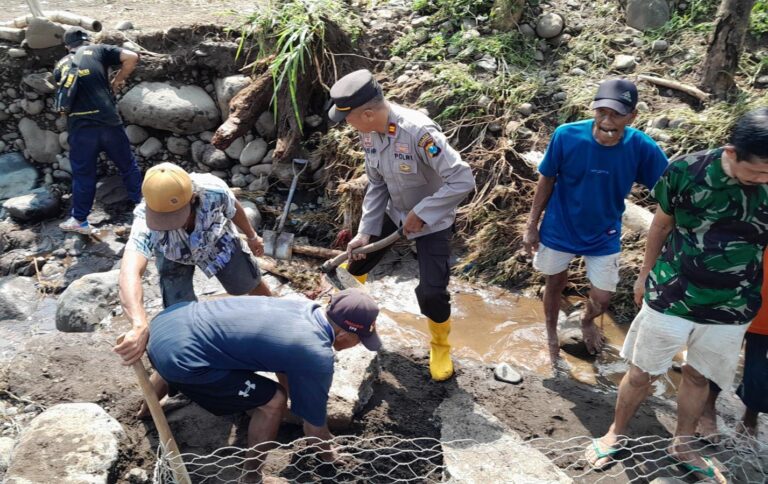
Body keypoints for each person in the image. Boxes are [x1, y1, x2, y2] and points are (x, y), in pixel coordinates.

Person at [586, 108, 768, 482]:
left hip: (733, 305)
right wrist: (644, 275)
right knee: (641, 373)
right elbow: (662, 224)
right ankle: (614, 433)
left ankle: (682, 443)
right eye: (761, 171)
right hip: (674, 293)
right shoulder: (687, 171)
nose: (766, 179)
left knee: (699, 377)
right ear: (732, 153)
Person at [327, 69, 475, 381]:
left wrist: (423, 212)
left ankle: (440, 346)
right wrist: (365, 231)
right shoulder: (368, 133)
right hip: (393, 214)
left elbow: (463, 179)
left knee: (432, 293)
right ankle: (352, 321)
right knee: (353, 266)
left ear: (367, 113)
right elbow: (377, 183)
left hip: (433, 222)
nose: (347, 126)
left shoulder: (419, 133)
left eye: (348, 119)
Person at [146, 289, 381, 483]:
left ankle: (146, 409)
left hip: (165, 325)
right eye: (361, 340)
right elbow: (313, 431)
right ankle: (252, 477)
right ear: (344, 336)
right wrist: (328, 452)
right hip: (181, 361)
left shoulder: (301, 308)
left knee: (201, 343)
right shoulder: (316, 354)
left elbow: (285, 363)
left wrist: (300, 406)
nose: (359, 345)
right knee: (274, 401)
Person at [522, 79, 668, 365]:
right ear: (594, 110)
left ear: (632, 117)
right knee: (555, 282)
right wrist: (531, 224)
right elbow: (547, 178)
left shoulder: (640, 146)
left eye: (617, 115)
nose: (607, 121)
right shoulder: (567, 136)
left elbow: (670, 189)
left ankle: (587, 319)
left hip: (604, 233)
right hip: (560, 228)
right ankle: (551, 334)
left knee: (602, 296)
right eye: (602, 112)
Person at [114, 162, 271, 371]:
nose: (172, 223)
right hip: (173, 253)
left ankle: (278, 315)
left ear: (193, 199)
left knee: (248, 283)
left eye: (176, 217)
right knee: (179, 314)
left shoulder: (213, 191)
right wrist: (139, 322)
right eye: (163, 219)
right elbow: (129, 271)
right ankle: (197, 362)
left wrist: (252, 236)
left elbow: (234, 209)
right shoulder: (144, 218)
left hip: (216, 241)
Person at [54, 26, 142, 235]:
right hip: (108, 122)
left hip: (81, 128)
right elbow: (131, 56)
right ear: (88, 40)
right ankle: (145, 208)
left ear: (67, 46)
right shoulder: (99, 51)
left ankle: (80, 220)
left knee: (83, 173)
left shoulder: (61, 65)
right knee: (127, 165)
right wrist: (118, 80)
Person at [696, 247, 768, 443]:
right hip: (738, 298)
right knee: (718, 356)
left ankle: (751, 418)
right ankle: (707, 408)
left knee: (761, 375)